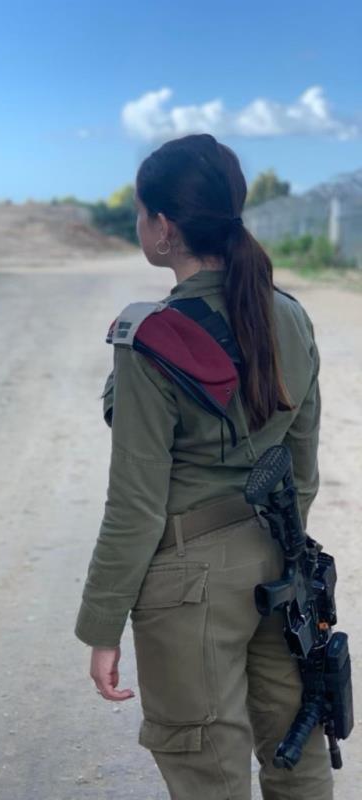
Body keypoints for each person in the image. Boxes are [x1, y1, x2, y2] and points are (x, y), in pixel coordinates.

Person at [74, 133, 333, 800]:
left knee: (206, 767)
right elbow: (300, 467)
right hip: (281, 565)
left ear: (163, 228)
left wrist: (102, 626)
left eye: (140, 213)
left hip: (189, 583)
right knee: (295, 747)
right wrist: (283, 548)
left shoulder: (151, 340)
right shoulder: (290, 317)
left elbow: (134, 505)